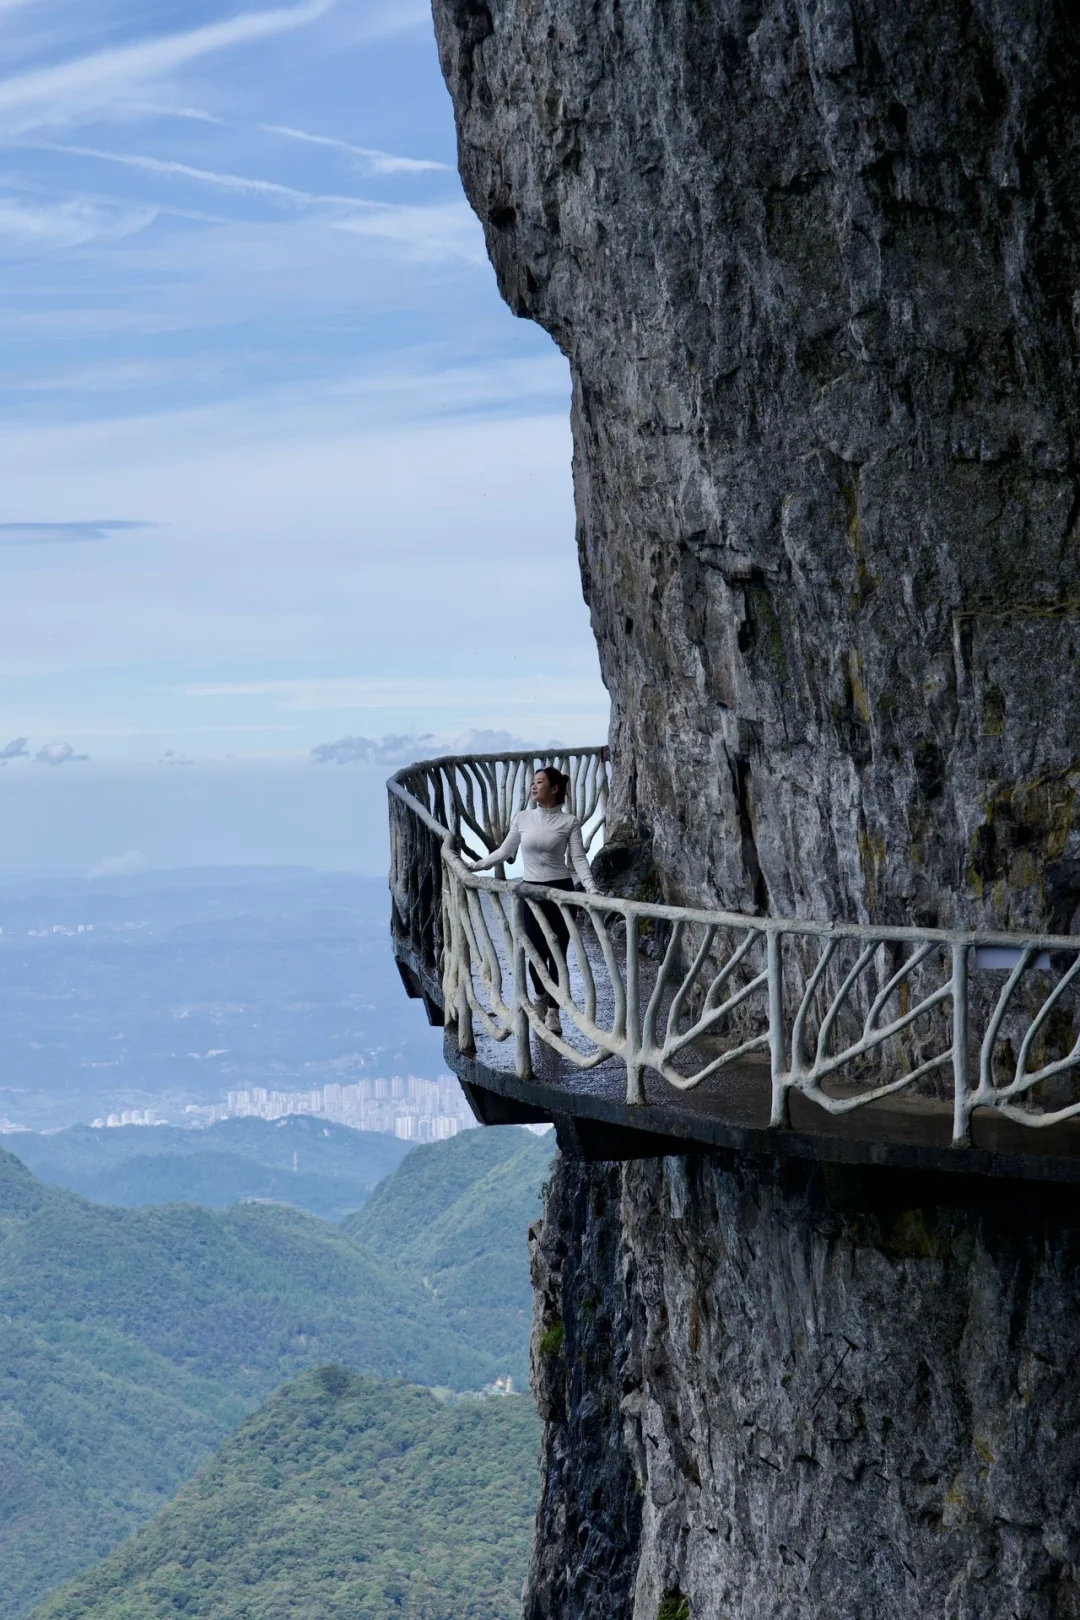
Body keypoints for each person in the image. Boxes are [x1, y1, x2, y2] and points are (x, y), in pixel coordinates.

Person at [465, 765, 597, 1036]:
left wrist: (592, 889)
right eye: (533, 783)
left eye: (539, 782)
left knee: (557, 953)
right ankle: (540, 998)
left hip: (561, 892)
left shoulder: (568, 822)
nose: (533, 787)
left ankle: (553, 1012)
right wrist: (475, 866)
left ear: (554, 788)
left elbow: (579, 859)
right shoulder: (523, 818)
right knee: (535, 951)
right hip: (531, 892)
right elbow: (505, 851)